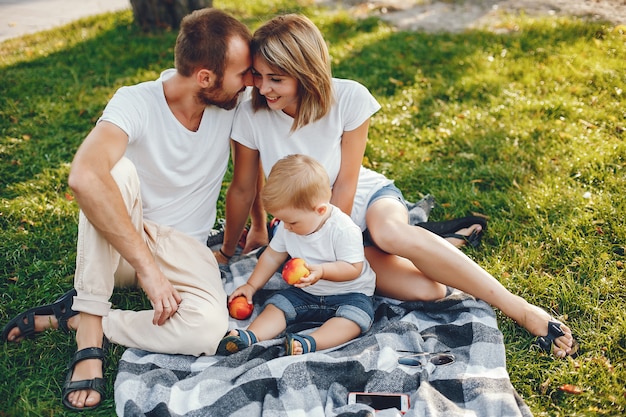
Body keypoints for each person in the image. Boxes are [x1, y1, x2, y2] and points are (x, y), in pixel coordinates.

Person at [216, 14, 577, 359]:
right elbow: (244, 188)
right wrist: (238, 245)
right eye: (259, 76)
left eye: (275, 78)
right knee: (429, 290)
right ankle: (437, 241)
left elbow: (347, 183)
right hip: (309, 221)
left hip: (359, 199)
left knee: (390, 234)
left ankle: (522, 310)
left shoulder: (349, 98)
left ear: (305, 72)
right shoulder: (252, 113)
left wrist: (335, 248)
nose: (263, 88)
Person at [0, 8, 265, 411]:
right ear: (205, 78)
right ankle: (89, 336)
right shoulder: (136, 101)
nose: (251, 81)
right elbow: (84, 177)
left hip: (186, 248)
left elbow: (247, 181)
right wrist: (148, 270)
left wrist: (232, 245)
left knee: (207, 330)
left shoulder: (236, 103)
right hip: (123, 242)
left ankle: (78, 317)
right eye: (243, 72)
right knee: (109, 173)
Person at [217, 154, 376, 356]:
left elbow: (354, 268)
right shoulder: (288, 226)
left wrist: (322, 271)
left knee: (356, 319)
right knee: (277, 305)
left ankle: (309, 342)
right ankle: (249, 336)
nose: (287, 227)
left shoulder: (343, 229)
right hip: (305, 292)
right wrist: (251, 285)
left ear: (320, 210)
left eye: (292, 222)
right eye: (282, 221)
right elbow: (273, 256)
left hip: (349, 294)